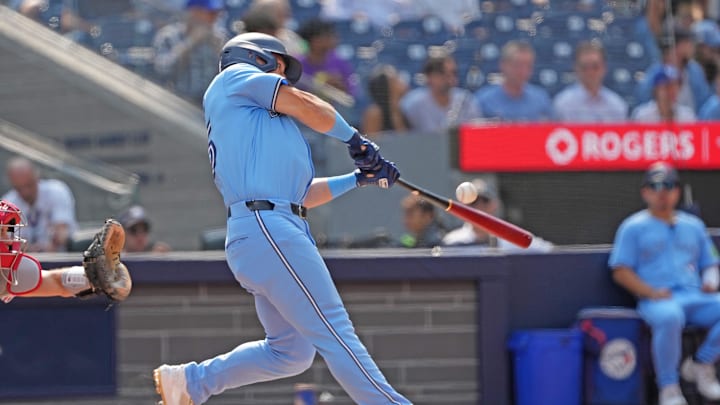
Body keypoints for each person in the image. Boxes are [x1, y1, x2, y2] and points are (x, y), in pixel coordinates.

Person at [152, 32, 411, 405]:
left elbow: (301, 194)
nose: (284, 76)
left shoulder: (259, 124)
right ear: (254, 57)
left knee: (290, 353)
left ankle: (191, 382)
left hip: (268, 226)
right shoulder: (233, 77)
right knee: (336, 332)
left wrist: (357, 178)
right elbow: (307, 105)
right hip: (265, 227)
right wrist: (355, 140)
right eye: (278, 65)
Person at [609, 161, 720, 405]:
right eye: (655, 186)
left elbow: (710, 262)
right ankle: (668, 388)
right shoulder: (632, 227)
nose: (662, 191)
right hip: (658, 299)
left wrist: (711, 281)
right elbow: (620, 270)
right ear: (645, 192)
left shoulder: (694, 225)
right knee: (670, 318)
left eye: (668, 185)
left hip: (694, 295)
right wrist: (650, 292)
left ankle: (702, 363)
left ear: (677, 191)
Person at [0, 200, 131, 304]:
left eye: (8, 231)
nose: (9, 241)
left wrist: (92, 277)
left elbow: (56, 282)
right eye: (1, 232)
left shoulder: (5, 275)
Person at [442, 178, 553, 252]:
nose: (479, 206)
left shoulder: (512, 237)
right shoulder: (452, 241)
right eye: (473, 202)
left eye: (485, 200)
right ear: (464, 206)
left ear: (495, 204)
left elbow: (549, 251)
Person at [152, 0, 227, 105]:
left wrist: (220, 52)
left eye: (216, 14)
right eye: (210, 13)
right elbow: (163, 71)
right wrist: (191, 43)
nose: (214, 18)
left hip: (207, 107)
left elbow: (228, 81)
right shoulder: (169, 36)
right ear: (194, 12)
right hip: (175, 103)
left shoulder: (218, 39)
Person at [2, 157, 77, 253]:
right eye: (19, 188)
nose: (26, 192)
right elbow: (8, 241)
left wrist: (52, 243)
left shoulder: (57, 190)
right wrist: (29, 249)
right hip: (24, 260)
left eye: (29, 185)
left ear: (36, 177)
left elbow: (62, 232)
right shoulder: (7, 203)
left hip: (60, 257)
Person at [635, 28, 712, 115]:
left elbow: (704, 101)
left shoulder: (694, 70)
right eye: (688, 42)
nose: (692, 47)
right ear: (677, 46)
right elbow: (644, 101)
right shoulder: (654, 74)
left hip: (690, 123)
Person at [474, 40, 555, 122]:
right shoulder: (484, 100)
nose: (523, 71)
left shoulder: (541, 100)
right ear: (503, 65)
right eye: (517, 66)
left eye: (529, 66)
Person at [399, 53, 481, 133]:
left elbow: (476, 134)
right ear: (429, 76)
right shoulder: (412, 103)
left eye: (453, 73)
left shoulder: (466, 100)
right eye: (443, 73)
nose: (450, 78)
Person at [553, 41, 628, 123]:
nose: (590, 72)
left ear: (604, 68)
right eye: (584, 67)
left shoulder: (617, 105)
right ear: (576, 68)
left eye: (595, 67)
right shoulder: (563, 104)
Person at [296, 18, 358, 104]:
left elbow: (352, 94)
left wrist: (340, 86)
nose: (334, 38)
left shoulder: (340, 62)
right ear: (314, 40)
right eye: (328, 36)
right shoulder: (296, 64)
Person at [632, 65, 697, 122]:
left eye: (674, 87)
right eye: (666, 87)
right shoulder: (642, 116)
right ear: (656, 89)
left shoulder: (688, 117)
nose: (671, 92)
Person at [361, 64, 409, 136]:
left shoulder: (408, 107)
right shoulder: (374, 113)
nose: (402, 82)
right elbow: (370, 143)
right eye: (396, 80)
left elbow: (408, 140)